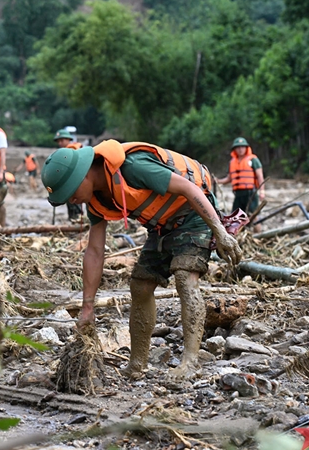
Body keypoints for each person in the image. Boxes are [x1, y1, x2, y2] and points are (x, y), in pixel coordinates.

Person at [41, 140, 243, 380]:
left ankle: (190, 362)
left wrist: (220, 232)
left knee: (184, 278)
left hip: (194, 216)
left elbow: (190, 189)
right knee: (140, 285)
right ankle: (137, 364)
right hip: (160, 226)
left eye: (72, 195)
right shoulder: (95, 202)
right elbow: (94, 251)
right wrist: (87, 307)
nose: (73, 202)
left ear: (83, 176)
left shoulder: (134, 167)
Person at [216, 137, 265, 233]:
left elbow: (260, 176)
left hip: (251, 193)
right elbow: (229, 178)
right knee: (235, 217)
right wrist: (218, 181)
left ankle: (259, 235)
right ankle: (237, 236)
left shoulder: (253, 160)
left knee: (253, 216)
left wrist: (262, 192)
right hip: (238, 194)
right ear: (234, 149)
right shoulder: (232, 162)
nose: (240, 149)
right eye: (238, 147)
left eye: (242, 147)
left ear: (246, 148)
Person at [54, 129, 84, 222]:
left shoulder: (72, 150)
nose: (60, 143)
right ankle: (73, 221)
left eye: (62, 140)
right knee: (70, 204)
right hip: (68, 184)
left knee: (75, 204)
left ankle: (77, 223)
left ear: (68, 139)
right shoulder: (65, 151)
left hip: (75, 183)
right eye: (58, 141)